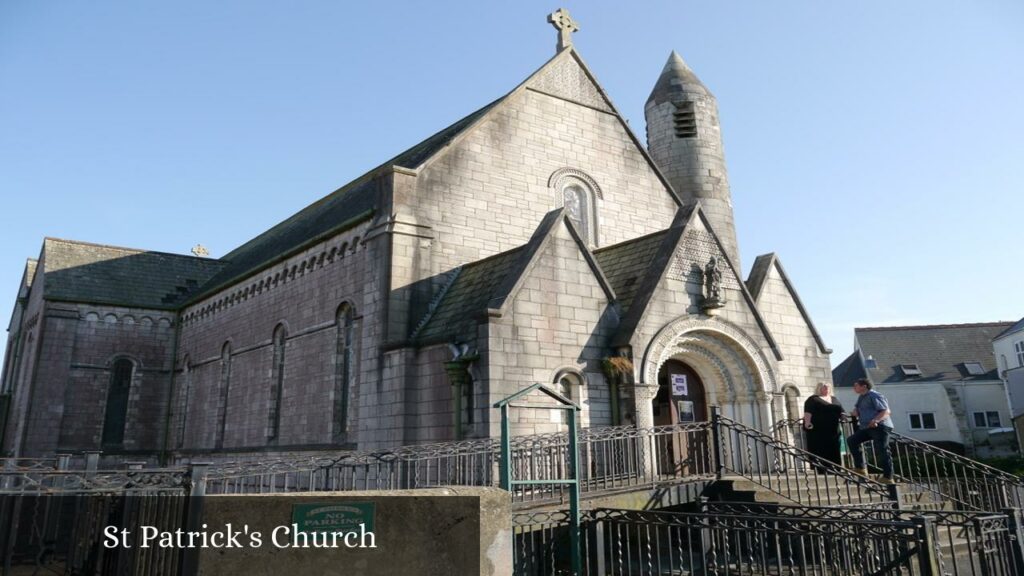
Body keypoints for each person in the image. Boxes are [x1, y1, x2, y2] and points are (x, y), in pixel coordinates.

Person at [846, 378, 895, 483]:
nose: (854, 388)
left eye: (856, 385)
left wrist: (876, 420)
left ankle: (888, 477)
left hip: (880, 426)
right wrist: (855, 412)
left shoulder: (874, 395)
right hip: (867, 427)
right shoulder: (861, 397)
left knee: (882, 450)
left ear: (864, 386)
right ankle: (861, 468)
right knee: (852, 440)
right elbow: (858, 409)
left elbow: (886, 411)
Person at [802, 382, 844, 471]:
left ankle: (835, 468)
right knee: (820, 448)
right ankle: (822, 468)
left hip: (833, 429)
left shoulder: (834, 398)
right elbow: (808, 412)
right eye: (824, 387)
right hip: (818, 429)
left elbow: (841, 410)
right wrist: (807, 422)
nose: (827, 389)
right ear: (819, 388)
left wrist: (843, 416)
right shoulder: (813, 399)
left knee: (834, 447)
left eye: (828, 387)